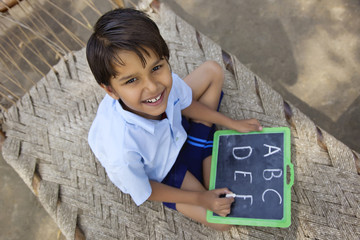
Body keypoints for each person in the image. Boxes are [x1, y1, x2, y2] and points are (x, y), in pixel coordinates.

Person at [86, 8, 262, 231]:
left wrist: (231, 122)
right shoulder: (121, 151)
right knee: (224, 221)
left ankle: (202, 147)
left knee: (212, 70)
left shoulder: (161, 90)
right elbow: (147, 191)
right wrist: (202, 199)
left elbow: (184, 103)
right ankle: (205, 147)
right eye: (132, 80)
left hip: (174, 134)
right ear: (110, 90)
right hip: (162, 170)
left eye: (156, 67)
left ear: (165, 59)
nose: (152, 87)